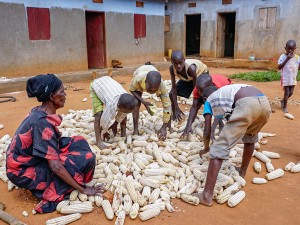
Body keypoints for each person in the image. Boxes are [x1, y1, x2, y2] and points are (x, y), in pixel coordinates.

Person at [6, 74, 104, 213]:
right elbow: (55, 166)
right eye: (62, 91)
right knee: (87, 158)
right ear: (52, 96)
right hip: (22, 171)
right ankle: (49, 189)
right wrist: (82, 188)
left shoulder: (39, 112)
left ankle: (65, 177)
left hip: (31, 159)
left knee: (79, 142)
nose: (65, 94)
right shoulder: (42, 123)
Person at [194, 84, 271, 206]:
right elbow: (226, 119)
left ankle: (206, 195)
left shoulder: (209, 100)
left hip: (247, 104)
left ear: (204, 98)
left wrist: (207, 148)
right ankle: (242, 171)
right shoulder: (226, 92)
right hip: (264, 102)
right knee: (250, 137)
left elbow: (207, 130)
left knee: (218, 148)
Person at [90, 76, 137, 149]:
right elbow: (104, 120)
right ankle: (98, 141)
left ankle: (123, 135)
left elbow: (123, 114)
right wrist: (105, 131)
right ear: (118, 106)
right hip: (97, 87)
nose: (125, 113)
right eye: (123, 111)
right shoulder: (111, 105)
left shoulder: (128, 99)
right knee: (98, 115)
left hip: (109, 84)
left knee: (124, 112)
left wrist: (115, 124)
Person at [181, 74, 231, 139]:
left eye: (201, 90)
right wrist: (188, 125)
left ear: (211, 86)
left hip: (225, 85)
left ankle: (221, 124)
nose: (200, 93)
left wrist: (212, 130)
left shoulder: (219, 89)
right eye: (198, 90)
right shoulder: (198, 88)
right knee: (202, 101)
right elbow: (194, 107)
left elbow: (218, 108)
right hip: (209, 89)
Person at [129, 65, 171, 140]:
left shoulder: (162, 86)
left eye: (155, 90)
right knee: (136, 103)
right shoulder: (138, 79)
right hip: (141, 71)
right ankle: (135, 129)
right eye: (150, 89)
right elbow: (131, 89)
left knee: (167, 102)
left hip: (153, 76)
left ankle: (167, 126)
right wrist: (143, 101)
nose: (152, 92)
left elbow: (167, 106)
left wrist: (164, 126)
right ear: (145, 82)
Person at [169, 50, 209, 121]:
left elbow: (195, 89)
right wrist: (176, 107)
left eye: (180, 63)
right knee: (171, 94)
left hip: (201, 74)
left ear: (184, 60)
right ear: (172, 62)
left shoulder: (191, 68)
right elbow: (174, 88)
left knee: (200, 95)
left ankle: (196, 115)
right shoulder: (172, 69)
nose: (178, 66)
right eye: (175, 63)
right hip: (188, 78)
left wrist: (194, 107)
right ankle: (175, 112)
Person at [278, 40, 300, 113]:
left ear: (295, 48)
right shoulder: (283, 56)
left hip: (293, 77)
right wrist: (287, 59)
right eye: (288, 49)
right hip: (286, 77)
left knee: (291, 92)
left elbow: (298, 67)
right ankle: (285, 107)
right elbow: (279, 67)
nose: (290, 51)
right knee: (287, 92)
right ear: (285, 48)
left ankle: (283, 101)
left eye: (292, 49)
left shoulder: (297, 57)